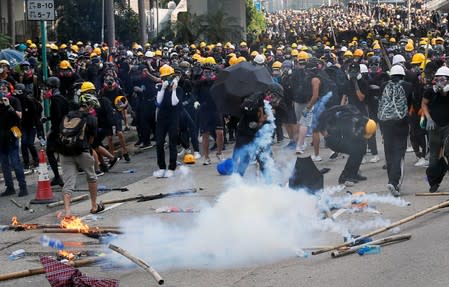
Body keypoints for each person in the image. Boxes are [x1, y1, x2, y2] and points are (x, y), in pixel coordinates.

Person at [60, 93, 104, 216]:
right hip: (82, 151)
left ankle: (67, 210)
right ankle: (94, 206)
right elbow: (91, 140)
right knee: (91, 177)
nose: (93, 109)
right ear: (89, 106)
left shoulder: (68, 115)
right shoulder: (91, 119)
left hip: (65, 152)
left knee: (68, 182)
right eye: (93, 107)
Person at [232, 83, 283, 178]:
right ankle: (236, 183)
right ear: (269, 93)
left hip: (260, 136)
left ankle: (268, 184)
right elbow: (243, 107)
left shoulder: (271, 105)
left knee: (265, 159)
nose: (276, 100)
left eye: (278, 98)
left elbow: (269, 124)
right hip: (246, 134)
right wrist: (254, 116)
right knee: (244, 159)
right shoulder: (256, 98)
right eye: (275, 96)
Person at [318, 104, 376, 185]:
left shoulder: (359, 118)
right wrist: (323, 131)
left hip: (340, 134)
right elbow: (322, 115)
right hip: (333, 139)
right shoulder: (352, 122)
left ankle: (353, 174)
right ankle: (344, 176)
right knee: (355, 150)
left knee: (361, 148)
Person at [377, 65, 413, 196]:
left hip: (385, 122)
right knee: (399, 152)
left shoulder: (383, 85)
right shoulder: (408, 86)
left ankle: (390, 180)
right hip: (401, 122)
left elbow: (380, 103)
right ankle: (394, 183)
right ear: (403, 75)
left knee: (389, 151)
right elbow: (409, 104)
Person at [421, 66, 449, 193]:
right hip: (434, 127)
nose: (439, 82)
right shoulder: (429, 91)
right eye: (437, 79)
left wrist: (443, 91)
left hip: (447, 126)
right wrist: (429, 118)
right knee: (433, 157)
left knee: (447, 153)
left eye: (442, 79)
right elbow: (424, 104)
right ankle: (433, 182)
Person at [152, 65, 183, 178]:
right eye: (163, 78)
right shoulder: (160, 88)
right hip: (162, 118)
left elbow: (174, 102)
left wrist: (173, 89)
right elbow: (159, 102)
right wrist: (163, 89)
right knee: (159, 143)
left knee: (172, 143)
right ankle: (161, 167)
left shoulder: (179, 89)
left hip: (173, 118)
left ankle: (172, 167)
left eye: (167, 77)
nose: (165, 80)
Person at [0, 80, 28, 197]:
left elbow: (19, 116)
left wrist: (9, 107)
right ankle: (10, 187)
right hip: (1, 135)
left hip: (12, 132)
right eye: (0, 89)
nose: (2, 90)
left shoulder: (14, 100)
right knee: (4, 163)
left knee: (15, 161)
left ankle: (23, 187)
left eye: (4, 88)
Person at [44, 76, 69, 187]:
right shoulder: (60, 98)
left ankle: (59, 177)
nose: (45, 90)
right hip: (63, 128)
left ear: (52, 88)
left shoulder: (56, 99)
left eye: (47, 88)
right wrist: (48, 118)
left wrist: (53, 130)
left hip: (58, 130)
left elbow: (58, 117)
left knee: (50, 152)